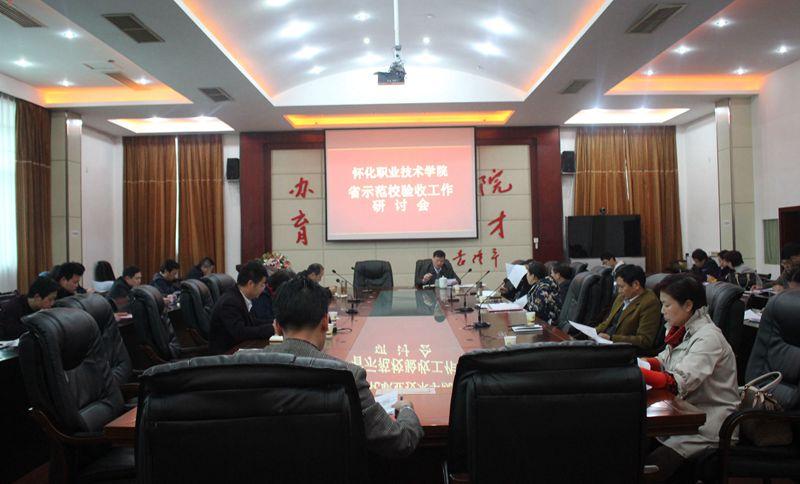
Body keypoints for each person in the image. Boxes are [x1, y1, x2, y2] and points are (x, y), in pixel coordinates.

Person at [263, 277, 423, 457]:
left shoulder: (243, 369)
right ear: (325, 322)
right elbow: (399, 441)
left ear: (277, 327)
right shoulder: (347, 377)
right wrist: (407, 410)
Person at [640, 274, 739, 482]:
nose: (662, 311)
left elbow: (676, 382)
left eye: (666, 305)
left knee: (651, 470)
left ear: (687, 305)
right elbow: (663, 361)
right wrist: (638, 363)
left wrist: (636, 372)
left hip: (707, 426)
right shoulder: (683, 330)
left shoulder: (708, 338)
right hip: (683, 417)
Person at [208, 261, 275, 354]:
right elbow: (240, 332)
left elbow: (251, 322)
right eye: (262, 284)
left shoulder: (239, 296)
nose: (264, 288)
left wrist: (274, 323)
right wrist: (271, 328)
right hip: (226, 355)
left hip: (240, 347)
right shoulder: (229, 302)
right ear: (250, 283)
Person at [595, 264, 661, 351]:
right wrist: (592, 332)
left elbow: (644, 340)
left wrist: (611, 338)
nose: (619, 291)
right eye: (618, 287)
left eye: (622, 287)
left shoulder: (649, 303)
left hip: (621, 350)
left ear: (636, 285)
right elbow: (608, 322)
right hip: (604, 343)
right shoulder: (621, 297)